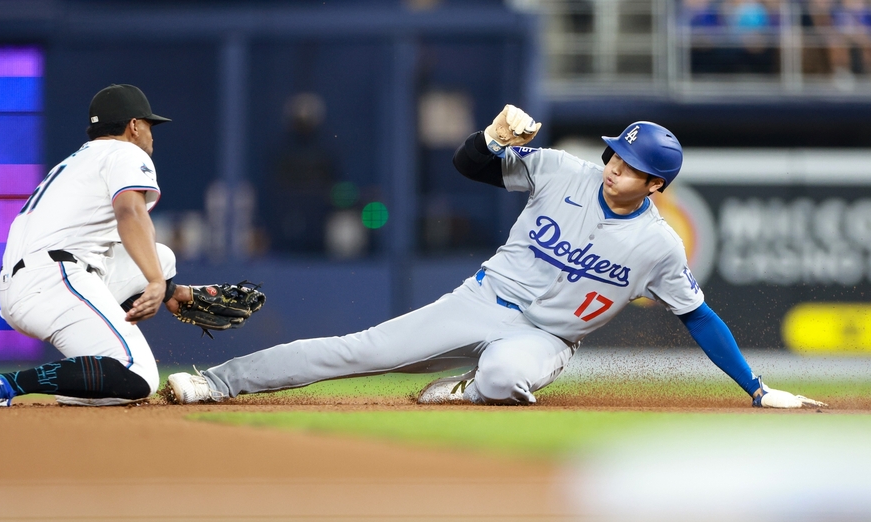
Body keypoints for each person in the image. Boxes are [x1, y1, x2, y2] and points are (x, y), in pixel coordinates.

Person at [167, 104, 825, 409]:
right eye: (616, 155)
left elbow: (700, 319)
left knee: (508, 379)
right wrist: (491, 135)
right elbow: (470, 164)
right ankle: (217, 382)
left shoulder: (659, 244)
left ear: (657, 186)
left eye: (633, 168)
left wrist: (758, 389)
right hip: (481, 299)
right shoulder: (564, 170)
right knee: (356, 351)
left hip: (548, 337)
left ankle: (466, 390)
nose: (616, 168)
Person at [0, 84, 221, 408]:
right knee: (139, 376)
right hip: (55, 277)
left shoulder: (78, 161)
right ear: (134, 126)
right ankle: (7, 384)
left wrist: (168, 290)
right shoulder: (125, 152)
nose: (152, 134)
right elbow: (130, 211)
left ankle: (88, 376)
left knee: (161, 257)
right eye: (150, 125)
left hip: (29, 280)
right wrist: (154, 281)